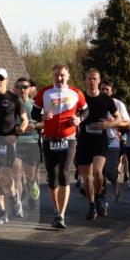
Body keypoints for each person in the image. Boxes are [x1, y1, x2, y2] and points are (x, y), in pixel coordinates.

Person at [32, 65, 87, 229]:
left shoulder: (76, 93)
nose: (59, 78)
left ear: (68, 75)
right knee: (52, 177)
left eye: (62, 75)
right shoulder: (45, 92)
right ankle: (56, 210)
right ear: (53, 76)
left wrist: (79, 120)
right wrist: (43, 116)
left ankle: (61, 215)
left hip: (68, 139)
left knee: (64, 174)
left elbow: (85, 111)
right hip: (49, 139)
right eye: (56, 75)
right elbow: (34, 114)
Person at [75, 69, 125, 220]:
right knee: (87, 177)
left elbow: (119, 119)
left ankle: (98, 197)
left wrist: (107, 125)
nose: (91, 81)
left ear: (99, 80)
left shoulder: (105, 99)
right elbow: (73, 115)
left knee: (97, 171)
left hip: (100, 141)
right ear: (86, 80)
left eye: (94, 79)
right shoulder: (80, 98)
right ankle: (91, 205)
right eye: (89, 78)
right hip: (84, 141)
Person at [0, 68, 27, 224]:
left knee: (5, 179)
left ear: (7, 80)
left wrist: (17, 134)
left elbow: (25, 120)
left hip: (7, 143)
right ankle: (2, 212)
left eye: (1, 78)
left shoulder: (14, 98)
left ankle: (14, 197)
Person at [13, 77, 41, 214]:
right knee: (16, 174)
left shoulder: (35, 105)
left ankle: (32, 192)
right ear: (15, 89)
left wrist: (34, 125)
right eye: (19, 87)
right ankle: (18, 205)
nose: (22, 90)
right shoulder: (11, 106)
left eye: (25, 87)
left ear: (29, 89)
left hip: (31, 143)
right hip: (16, 144)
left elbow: (45, 123)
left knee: (30, 177)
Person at [99, 80, 130, 205]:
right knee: (98, 171)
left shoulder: (118, 105)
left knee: (109, 172)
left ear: (111, 92)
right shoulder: (93, 103)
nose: (104, 92)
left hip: (112, 142)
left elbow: (128, 124)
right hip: (97, 142)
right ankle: (102, 197)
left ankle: (115, 184)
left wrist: (115, 123)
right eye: (102, 89)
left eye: (107, 89)